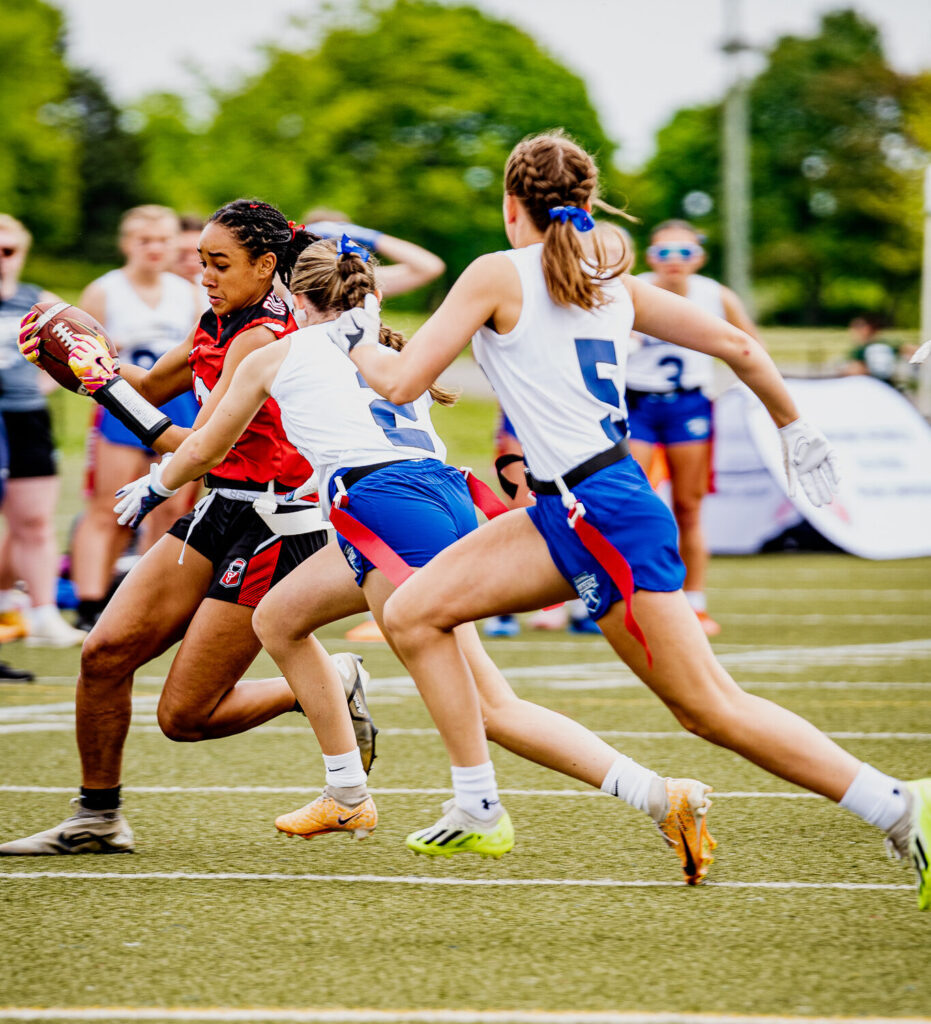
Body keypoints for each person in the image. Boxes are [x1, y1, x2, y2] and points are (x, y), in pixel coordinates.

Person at [327, 130, 930, 909]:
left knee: (707, 708)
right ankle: (477, 802)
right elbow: (738, 346)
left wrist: (350, 339)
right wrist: (792, 425)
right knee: (412, 612)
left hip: (600, 509)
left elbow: (402, 382)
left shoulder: (498, 271)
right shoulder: (608, 276)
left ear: (512, 206)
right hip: (569, 506)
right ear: (583, 202)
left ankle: (900, 806)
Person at [123, 232, 718, 880]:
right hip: (406, 499)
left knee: (489, 706)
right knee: (277, 619)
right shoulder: (380, 345)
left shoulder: (281, 352)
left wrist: (155, 483)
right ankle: (347, 795)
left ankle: (660, 796)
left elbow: (207, 445)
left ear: (294, 297)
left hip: (388, 509)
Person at [0, 200, 374, 856]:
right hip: (219, 508)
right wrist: (84, 361)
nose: (203, 274)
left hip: (275, 527)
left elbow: (199, 445)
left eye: (219, 263)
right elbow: (145, 384)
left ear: (265, 265)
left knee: (185, 717)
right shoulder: (218, 318)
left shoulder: (266, 336)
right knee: (104, 654)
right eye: (200, 260)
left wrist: (105, 388)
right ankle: (97, 817)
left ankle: (323, 681)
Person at [304, 211, 447, 644]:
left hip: (385, 487)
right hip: (420, 480)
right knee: (277, 618)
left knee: (483, 698)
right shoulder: (380, 341)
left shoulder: (305, 336)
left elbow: (430, 267)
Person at [624, 219, 762, 637]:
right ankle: (635, 595)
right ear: (650, 257)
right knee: (635, 501)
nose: (674, 261)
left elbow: (750, 347)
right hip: (637, 403)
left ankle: (696, 602)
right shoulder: (630, 289)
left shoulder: (715, 296)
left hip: (688, 403)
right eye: (664, 252)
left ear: (698, 258)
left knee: (688, 505)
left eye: (683, 252)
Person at [70, 206, 203, 632]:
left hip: (177, 402)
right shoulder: (105, 290)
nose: (155, 248)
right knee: (108, 508)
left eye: (163, 240)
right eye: (145, 240)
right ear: (127, 243)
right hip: (120, 403)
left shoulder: (188, 292)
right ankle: (90, 602)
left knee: (170, 506)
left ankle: (152, 599)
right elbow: (78, 356)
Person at [0, 213, 85, 647]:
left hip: (26, 416)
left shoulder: (37, 302)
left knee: (32, 519)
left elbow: (77, 345)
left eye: (7, 250)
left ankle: (43, 611)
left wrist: (50, 379)